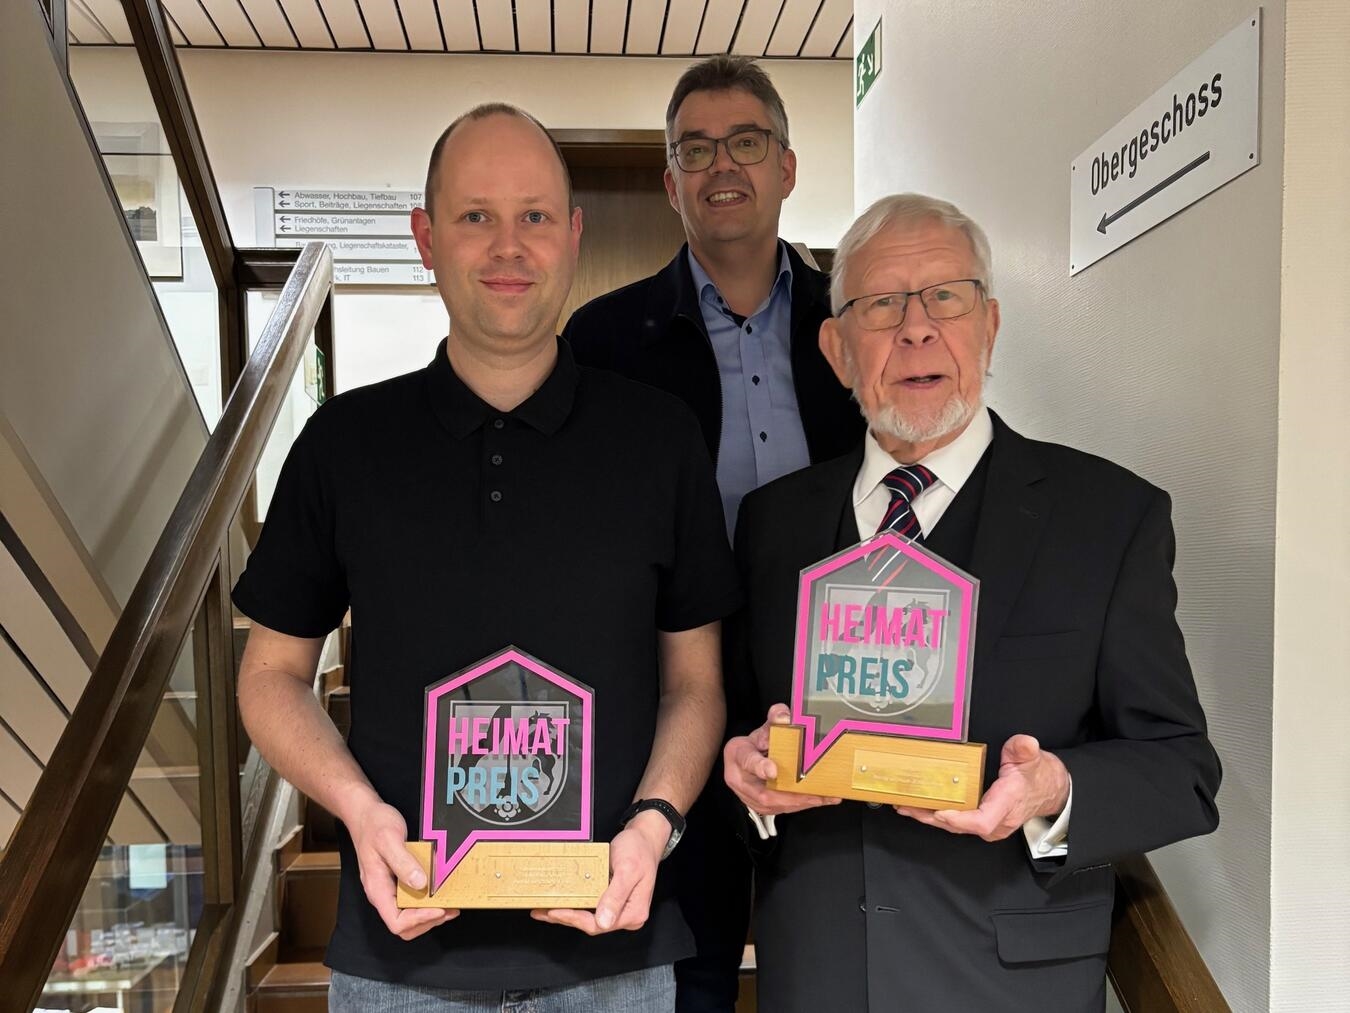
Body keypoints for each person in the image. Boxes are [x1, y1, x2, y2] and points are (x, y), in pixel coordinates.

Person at [232, 103, 740, 1011]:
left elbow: (694, 683)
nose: (510, 246)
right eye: (475, 216)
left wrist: (655, 822)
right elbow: (269, 675)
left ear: (574, 236)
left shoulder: (660, 440)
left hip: (612, 956)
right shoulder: (344, 442)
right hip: (399, 960)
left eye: (536, 216)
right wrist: (358, 808)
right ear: (426, 238)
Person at [723, 193, 1221, 1012]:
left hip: (1012, 983)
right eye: (880, 304)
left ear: (989, 327)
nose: (916, 328)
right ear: (837, 348)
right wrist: (743, 773)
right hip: (815, 975)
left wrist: (1054, 789)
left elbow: (1183, 768)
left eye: (945, 297)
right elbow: (739, 731)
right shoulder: (773, 524)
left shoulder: (1108, 517)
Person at [562, 55, 862, 1012]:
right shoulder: (603, 340)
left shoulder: (854, 323)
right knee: (683, 963)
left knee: (832, 949)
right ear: (670, 181)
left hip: (838, 691)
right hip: (666, 699)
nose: (721, 164)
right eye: (695, 148)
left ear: (786, 166)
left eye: (745, 142)